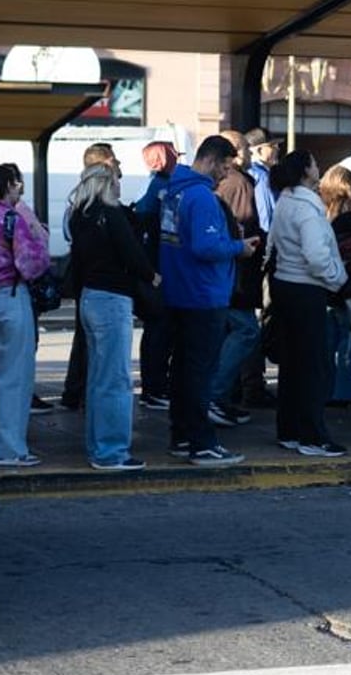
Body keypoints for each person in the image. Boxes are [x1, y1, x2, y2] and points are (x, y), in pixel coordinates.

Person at [158, 135, 261, 466]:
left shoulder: (175, 191)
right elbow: (205, 247)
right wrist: (239, 248)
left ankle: (182, 436)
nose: (226, 175)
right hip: (203, 295)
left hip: (180, 292)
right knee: (200, 373)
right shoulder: (201, 197)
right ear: (213, 161)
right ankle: (201, 442)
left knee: (183, 371)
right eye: (226, 167)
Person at [65, 160, 155, 471]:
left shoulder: (79, 216)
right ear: (107, 183)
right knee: (115, 379)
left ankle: (98, 446)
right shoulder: (112, 215)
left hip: (89, 298)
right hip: (113, 298)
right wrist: (152, 275)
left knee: (97, 379)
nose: (119, 183)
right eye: (116, 178)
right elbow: (132, 253)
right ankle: (112, 451)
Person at [267, 148, 347, 457]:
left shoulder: (285, 201)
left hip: (285, 285)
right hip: (307, 290)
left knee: (292, 365)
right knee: (313, 366)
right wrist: (335, 276)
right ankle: (313, 436)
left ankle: (289, 430)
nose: (318, 167)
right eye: (314, 163)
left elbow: (273, 242)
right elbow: (316, 255)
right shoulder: (308, 209)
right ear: (306, 171)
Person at [0, 163, 50, 467]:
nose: (19, 188)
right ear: (7, 187)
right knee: (14, 378)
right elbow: (31, 264)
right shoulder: (11, 219)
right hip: (11, 298)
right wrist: (38, 236)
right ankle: (9, 449)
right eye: (17, 183)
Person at [60, 142, 121, 412]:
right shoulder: (99, 206)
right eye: (115, 161)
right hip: (97, 281)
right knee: (92, 343)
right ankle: (79, 391)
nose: (119, 166)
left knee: (84, 339)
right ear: (105, 163)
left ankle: (75, 390)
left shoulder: (78, 204)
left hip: (84, 279)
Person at [208, 134, 265, 422]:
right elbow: (241, 229)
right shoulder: (238, 183)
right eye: (245, 149)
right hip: (236, 276)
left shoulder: (223, 184)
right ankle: (216, 394)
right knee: (246, 331)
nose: (250, 154)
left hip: (225, 276)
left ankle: (221, 395)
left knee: (225, 334)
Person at [132, 140, 180, 411]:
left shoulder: (151, 185)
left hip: (154, 271)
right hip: (159, 271)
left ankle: (154, 386)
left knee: (156, 330)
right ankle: (155, 388)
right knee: (160, 330)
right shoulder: (161, 188)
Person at [319, 164, 351, 407]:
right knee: (349, 342)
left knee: (328, 342)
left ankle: (327, 389)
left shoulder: (320, 212)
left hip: (325, 285)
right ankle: (346, 391)